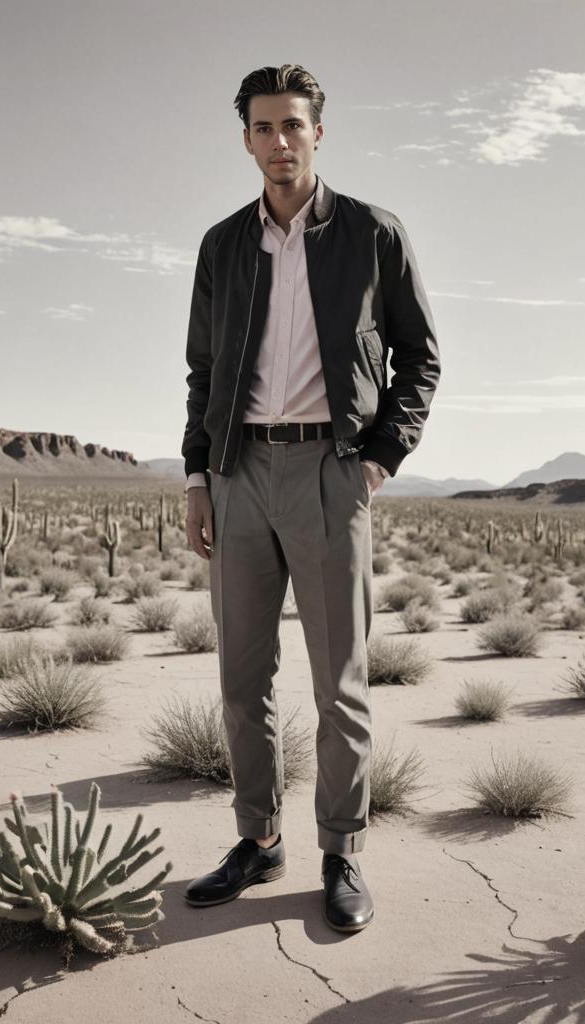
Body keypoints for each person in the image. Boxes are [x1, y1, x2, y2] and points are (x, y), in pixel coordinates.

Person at [180, 63, 440, 933]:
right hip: (238, 472)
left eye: (293, 125)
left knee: (342, 683)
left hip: (332, 471)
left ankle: (341, 851)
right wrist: (197, 474)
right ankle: (258, 840)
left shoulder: (372, 233)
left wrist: (378, 459)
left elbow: (420, 357)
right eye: (263, 128)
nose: (279, 142)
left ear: (319, 133)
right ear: (245, 138)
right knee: (241, 676)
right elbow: (204, 372)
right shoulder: (223, 246)